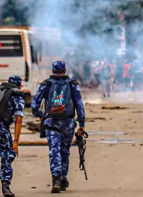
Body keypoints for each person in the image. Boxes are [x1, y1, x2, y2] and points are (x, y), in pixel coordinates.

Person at [31, 61, 86, 193]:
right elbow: (79, 104)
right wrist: (82, 124)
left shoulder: (46, 84)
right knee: (64, 151)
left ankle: (56, 179)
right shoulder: (73, 84)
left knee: (54, 151)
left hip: (51, 122)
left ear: (52, 70)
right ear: (64, 70)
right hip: (68, 123)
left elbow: (35, 104)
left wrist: (41, 115)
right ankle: (63, 178)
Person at [0, 76, 24, 197]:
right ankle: (5, 186)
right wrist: (16, 141)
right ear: (19, 85)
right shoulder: (17, 96)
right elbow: (18, 119)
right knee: (8, 154)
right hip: (2, 129)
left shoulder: (1, 91)